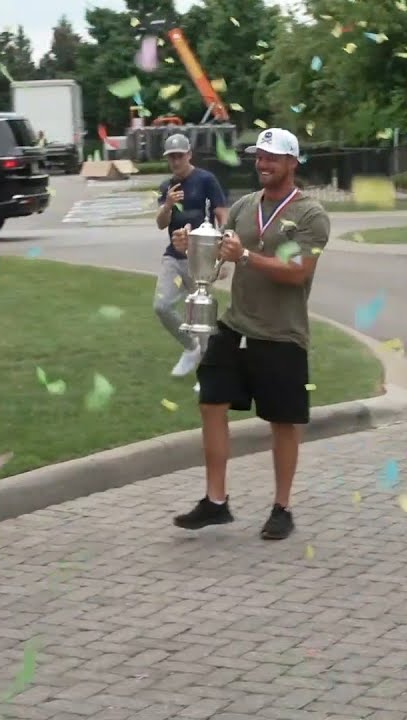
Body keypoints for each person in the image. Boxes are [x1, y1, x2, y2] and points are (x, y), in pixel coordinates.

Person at [171, 128, 330, 541]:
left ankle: (282, 507)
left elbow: (298, 273)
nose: (262, 164)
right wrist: (192, 245)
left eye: (272, 158)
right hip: (236, 325)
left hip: (282, 334)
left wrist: (245, 255)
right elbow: (219, 257)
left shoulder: (311, 215)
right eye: (259, 157)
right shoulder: (244, 206)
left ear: (292, 162)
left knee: (283, 422)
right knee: (211, 399)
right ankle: (216, 501)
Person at [154, 133, 227, 378]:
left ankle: (206, 372)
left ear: (189, 155)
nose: (175, 161)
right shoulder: (167, 186)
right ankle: (191, 348)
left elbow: (221, 214)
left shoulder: (206, 180)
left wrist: (222, 252)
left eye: (179, 156)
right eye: (171, 157)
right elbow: (161, 224)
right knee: (162, 305)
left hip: (202, 259)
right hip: (174, 256)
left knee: (201, 314)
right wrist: (167, 205)